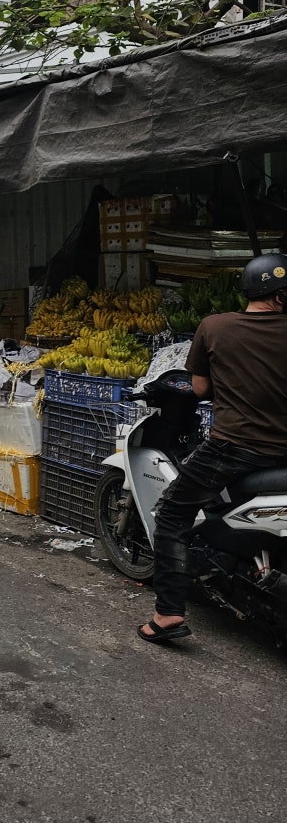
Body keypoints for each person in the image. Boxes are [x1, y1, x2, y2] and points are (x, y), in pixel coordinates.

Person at [139, 252, 287, 645]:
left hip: (234, 447)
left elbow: (201, 389)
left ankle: (168, 614)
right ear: (280, 296)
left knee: (173, 514)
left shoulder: (214, 326)